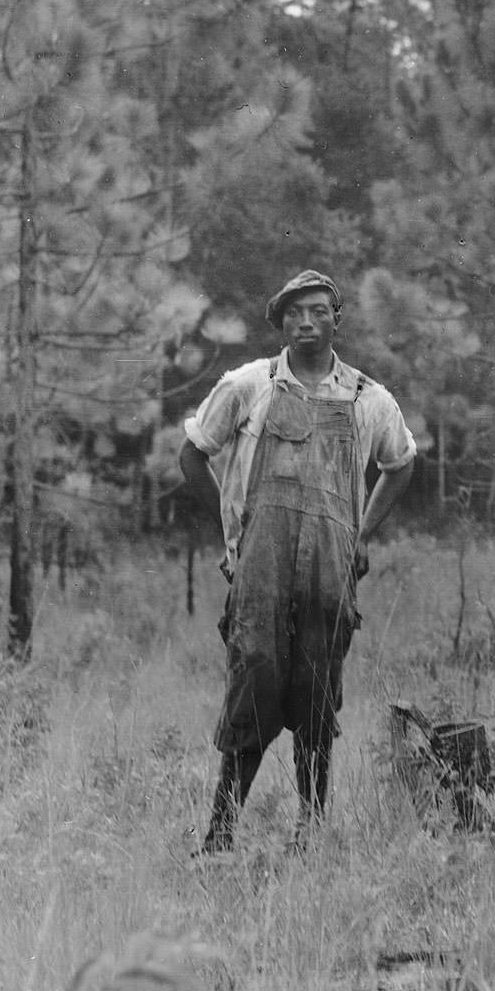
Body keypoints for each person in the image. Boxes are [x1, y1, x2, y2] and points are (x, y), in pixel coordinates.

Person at [180, 271, 416, 852]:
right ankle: (221, 832)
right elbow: (192, 457)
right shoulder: (247, 385)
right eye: (292, 314)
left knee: (317, 689)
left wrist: (360, 535)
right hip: (260, 567)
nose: (305, 322)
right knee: (253, 678)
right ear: (280, 323)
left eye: (316, 311)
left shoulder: (367, 397)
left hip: (329, 574)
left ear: (337, 318)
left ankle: (311, 830)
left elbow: (402, 463)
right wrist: (233, 532)